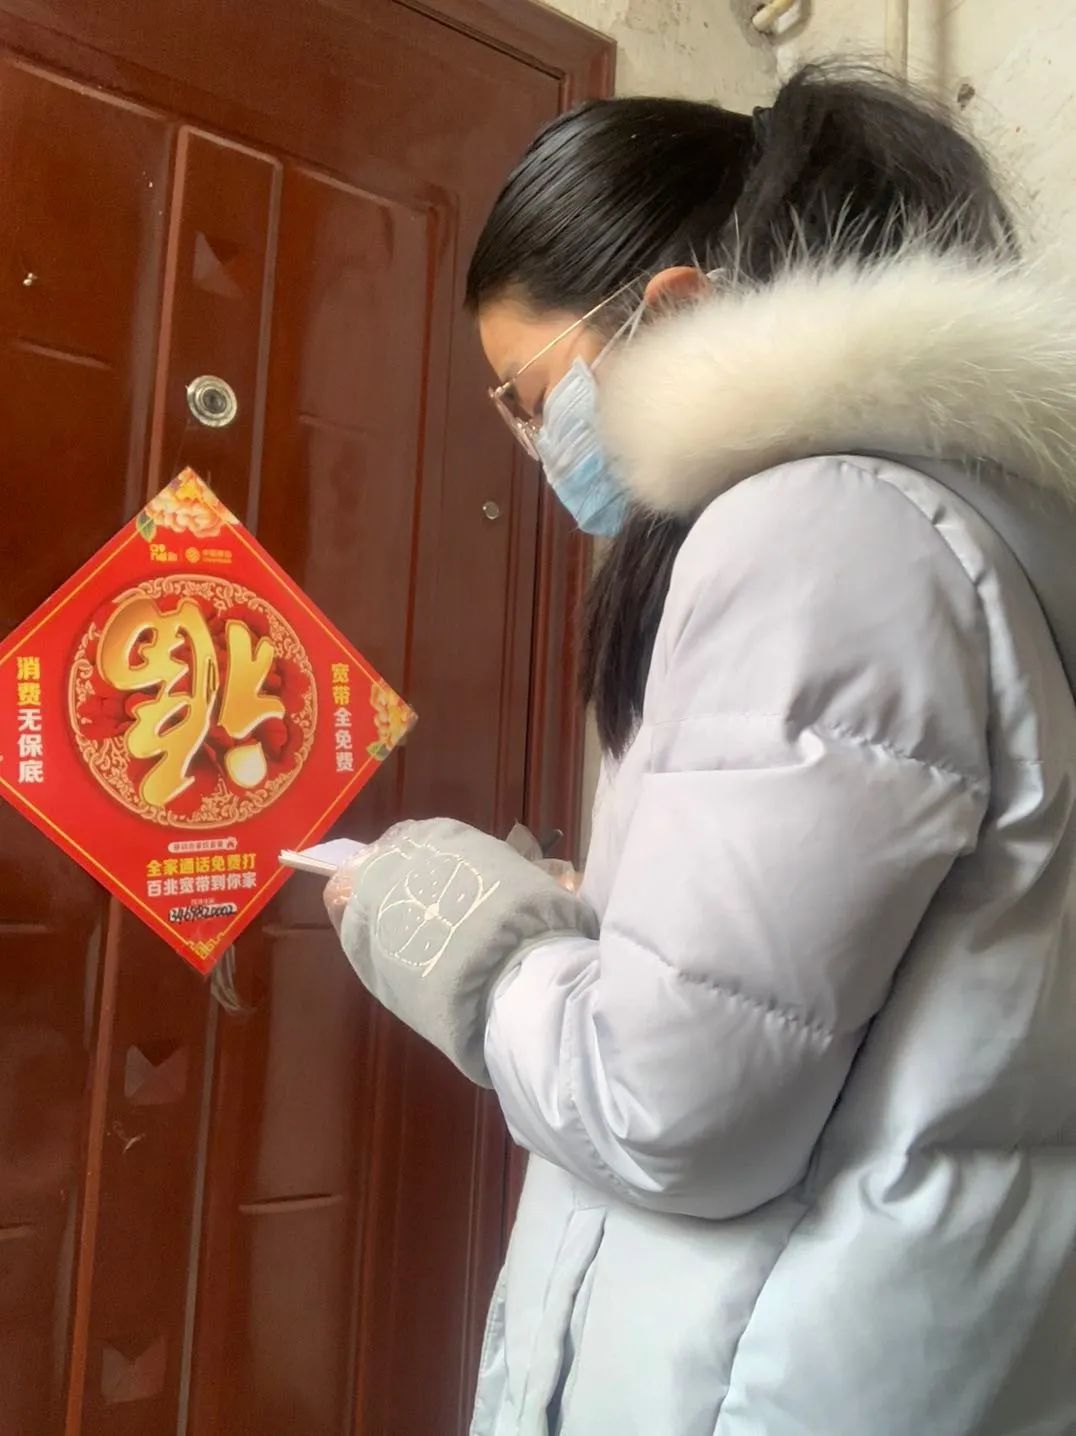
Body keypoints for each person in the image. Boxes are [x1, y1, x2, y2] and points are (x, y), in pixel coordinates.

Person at [327, 64, 1076, 1435]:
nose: (529, 445)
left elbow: (676, 1108)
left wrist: (441, 920)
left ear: (669, 313)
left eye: (530, 395)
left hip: (764, 1377)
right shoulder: (955, 518)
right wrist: (604, 926)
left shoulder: (819, 533)